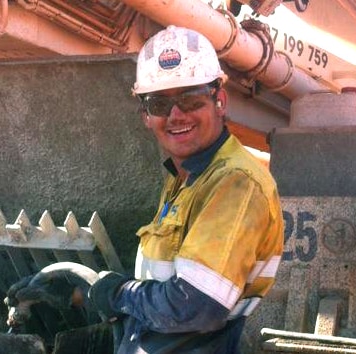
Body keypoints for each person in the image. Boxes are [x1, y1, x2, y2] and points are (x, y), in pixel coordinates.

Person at [87, 25, 285, 353]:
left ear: (219, 100)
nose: (176, 115)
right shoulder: (185, 177)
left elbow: (195, 306)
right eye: (160, 105)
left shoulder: (236, 182)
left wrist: (120, 294)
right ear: (146, 116)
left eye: (190, 99)